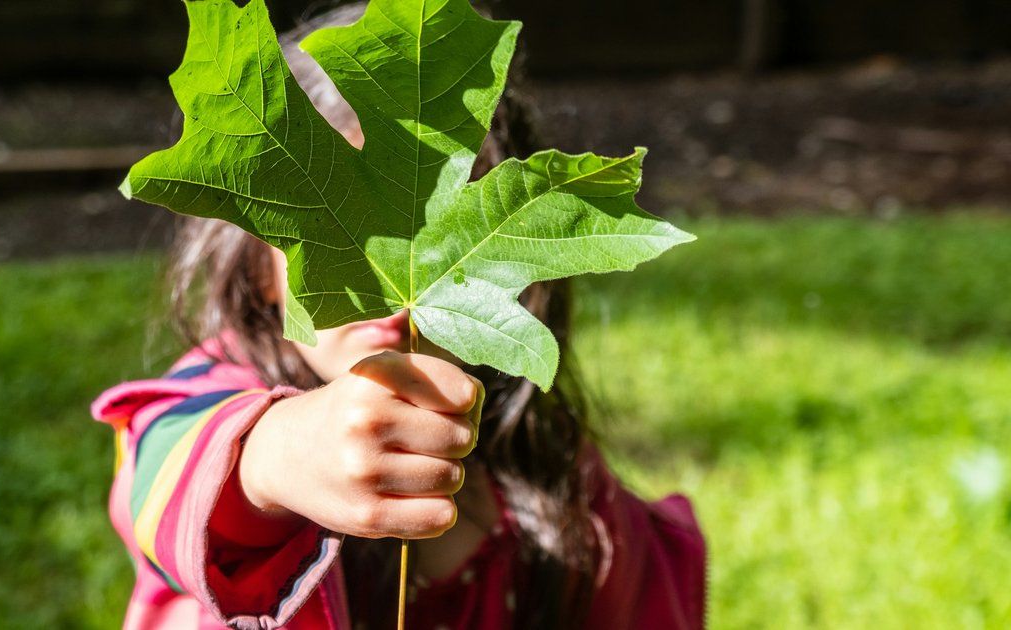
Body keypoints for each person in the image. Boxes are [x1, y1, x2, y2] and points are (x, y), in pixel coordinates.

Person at [92, 4, 706, 628]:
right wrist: (280, 457)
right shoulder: (210, 396)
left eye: (442, 227)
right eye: (342, 234)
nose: (391, 283)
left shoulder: (549, 469)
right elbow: (165, 477)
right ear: (257, 268)